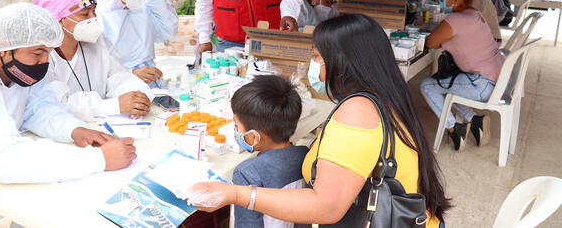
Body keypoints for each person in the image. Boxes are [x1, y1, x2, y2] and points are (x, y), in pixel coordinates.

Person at [189, 14, 449, 227]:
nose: (314, 65)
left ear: (342, 62)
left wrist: (236, 194)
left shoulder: (358, 111)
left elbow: (327, 207)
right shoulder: (388, 96)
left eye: (316, 57)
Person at [0, 3, 136, 228]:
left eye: (48, 53)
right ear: (4, 48)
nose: (44, 62)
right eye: (38, 53)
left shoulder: (13, 61)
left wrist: (73, 129)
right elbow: (3, 159)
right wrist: (100, 159)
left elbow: (38, 107)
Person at [34, 0, 154, 121]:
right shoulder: (40, 55)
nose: (93, 18)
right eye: (85, 14)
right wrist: (113, 106)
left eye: (94, 11)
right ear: (58, 20)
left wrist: (137, 96)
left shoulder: (98, 42)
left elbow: (118, 77)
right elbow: (58, 102)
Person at [421, 0, 505, 151]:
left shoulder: (455, 19)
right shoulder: (474, 14)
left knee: (428, 85)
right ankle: (475, 120)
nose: (443, 1)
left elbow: (430, 42)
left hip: (481, 84)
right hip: (494, 79)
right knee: (445, 85)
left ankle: (454, 129)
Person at [230, 75, 310, 228]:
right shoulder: (304, 154)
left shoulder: (247, 173)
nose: (236, 131)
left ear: (254, 137)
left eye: (237, 126)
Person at [86, 0, 178, 85]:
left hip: (152, 82)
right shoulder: (95, 22)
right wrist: (130, 74)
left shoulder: (141, 8)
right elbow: (95, 73)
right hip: (120, 90)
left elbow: (168, 31)